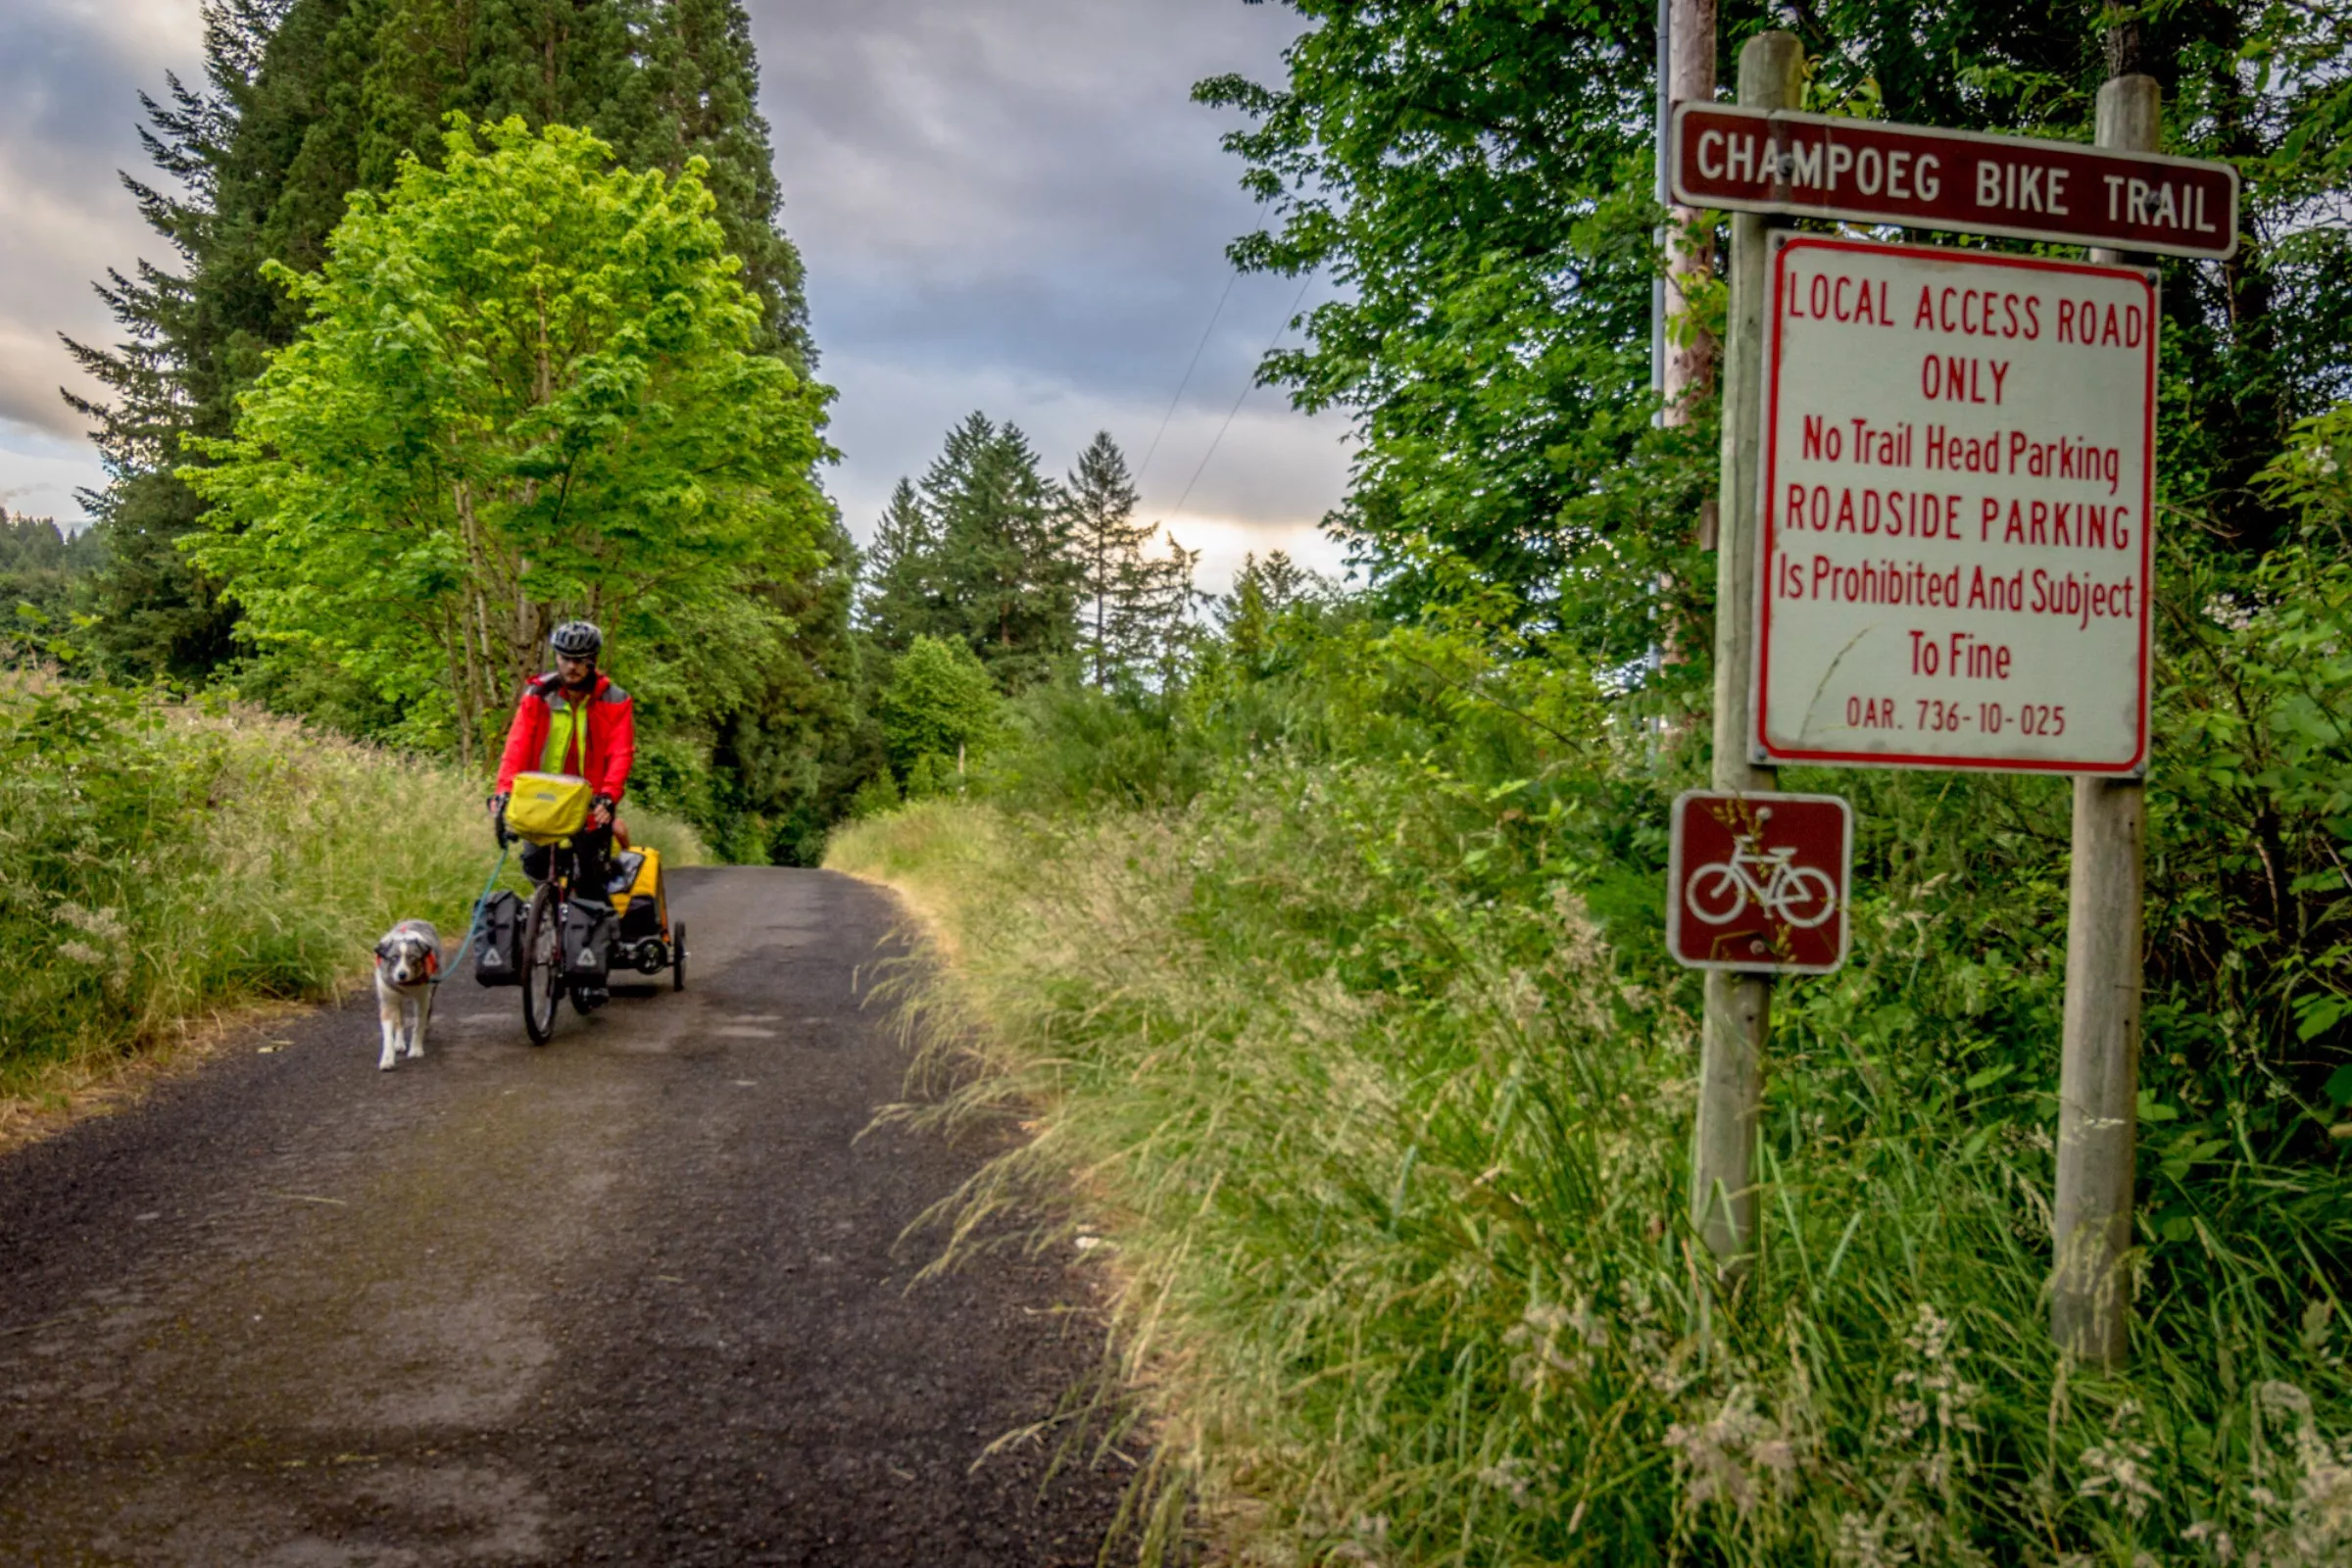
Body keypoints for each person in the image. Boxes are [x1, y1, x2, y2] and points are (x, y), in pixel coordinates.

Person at [488, 621, 636, 1002]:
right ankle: (549, 936)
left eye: (580, 660)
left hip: (589, 809)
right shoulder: (538, 695)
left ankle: (591, 972)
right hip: (543, 806)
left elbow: (620, 753)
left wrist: (608, 796)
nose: (571, 667)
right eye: (565, 658)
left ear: (593, 662)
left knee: (591, 883)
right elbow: (516, 747)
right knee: (538, 869)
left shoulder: (614, 700)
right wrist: (503, 792)